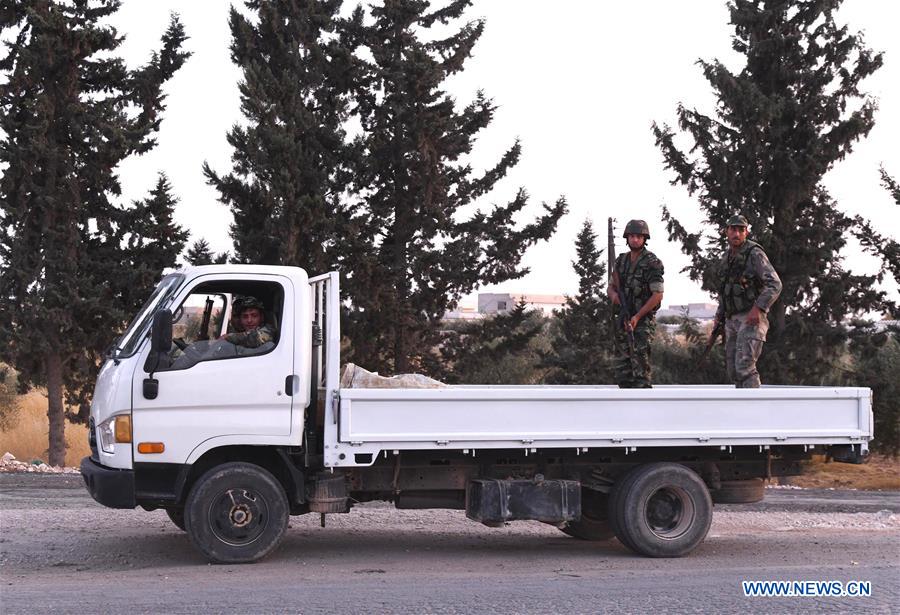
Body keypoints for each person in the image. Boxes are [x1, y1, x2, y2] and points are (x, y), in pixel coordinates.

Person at [709, 215, 782, 388]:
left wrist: (758, 308)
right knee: (733, 371)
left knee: (745, 367)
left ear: (746, 232)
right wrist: (719, 317)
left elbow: (775, 284)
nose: (737, 233)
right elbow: (726, 291)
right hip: (732, 319)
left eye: (741, 230)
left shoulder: (754, 253)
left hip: (752, 317)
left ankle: (753, 409)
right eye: (733, 229)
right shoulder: (727, 258)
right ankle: (740, 407)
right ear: (727, 232)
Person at [608, 219, 664, 388]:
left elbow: (658, 295)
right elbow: (611, 287)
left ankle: (644, 407)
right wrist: (615, 298)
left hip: (642, 321)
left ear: (645, 238)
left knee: (640, 368)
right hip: (623, 319)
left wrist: (638, 317)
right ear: (627, 238)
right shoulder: (621, 261)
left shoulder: (652, 262)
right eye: (632, 236)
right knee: (623, 370)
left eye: (639, 236)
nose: (635, 240)